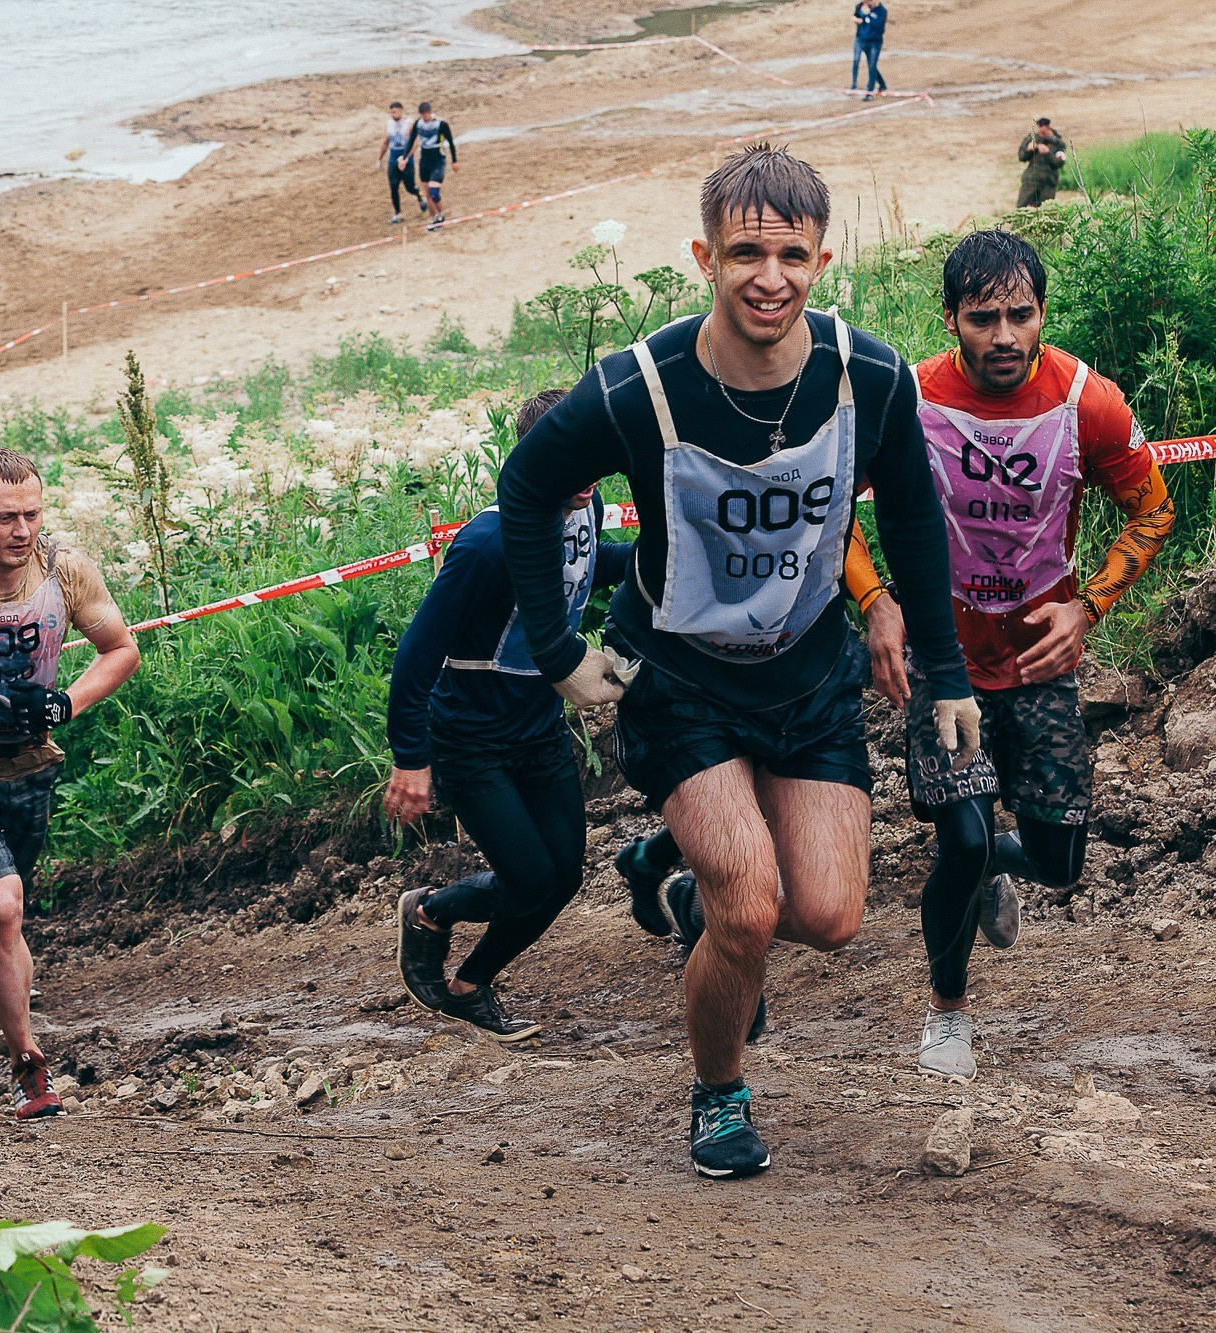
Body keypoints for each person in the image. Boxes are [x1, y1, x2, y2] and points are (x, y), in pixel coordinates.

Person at [495, 144, 979, 1179]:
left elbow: (911, 515)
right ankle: (717, 1093)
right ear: (701, 257)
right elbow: (526, 488)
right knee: (752, 905)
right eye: (745, 252)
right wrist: (556, 653)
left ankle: (686, 898)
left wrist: (944, 669)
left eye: (791, 254)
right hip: (680, 680)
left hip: (807, 677)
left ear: (822, 258)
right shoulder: (639, 387)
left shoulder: (869, 374)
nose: (769, 276)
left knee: (829, 917)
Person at [843, 228, 1174, 1080]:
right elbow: (830, 503)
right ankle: (947, 1012)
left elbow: (1154, 509)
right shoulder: (905, 398)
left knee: (1061, 860)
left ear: (1042, 315)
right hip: (943, 662)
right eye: (982, 317)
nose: (1002, 336)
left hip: (1039, 662)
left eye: (1020, 316)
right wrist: (877, 602)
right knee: (959, 839)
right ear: (950, 316)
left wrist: (1088, 606)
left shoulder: (1085, 403)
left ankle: (997, 862)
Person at [387, 390, 632, 1040]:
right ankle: (431, 912)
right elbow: (416, 655)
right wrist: (410, 758)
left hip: (540, 730)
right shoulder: (487, 545)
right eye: (566, 460)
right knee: (529, 877)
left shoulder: (587, 505)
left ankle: (468, 983)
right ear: (532, 459)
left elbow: (585, 568)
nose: (584, 477)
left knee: (563, 877)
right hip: (472, 741)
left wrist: (653, 555)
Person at [0, 448, 140, 1121]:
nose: (21, 530)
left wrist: (67, 703)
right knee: (4, 907)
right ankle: (28, 1065)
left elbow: (120, 648)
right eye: (4, 517)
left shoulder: (65, 571)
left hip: (29, 766)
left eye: (32, 514)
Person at [407, 101, 458, 230]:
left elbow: (451, 142)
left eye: (427, 114)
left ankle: (441, 215)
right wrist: (404, 157)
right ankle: (434, 219)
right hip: (424, 161)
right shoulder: (418, 124)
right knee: (428, 194)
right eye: (422, 115)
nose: (425, 117)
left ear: (430, 112)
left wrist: (454, 161)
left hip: (438, 161)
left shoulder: (441, 124)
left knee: (434, 192)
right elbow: (411, 141)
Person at [379, 100, 425, 224]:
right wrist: (379, 158)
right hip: (393, 159)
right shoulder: (389, 124)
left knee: (409, 187)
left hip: (407, 158)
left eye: (395, 112)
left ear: (401, 111)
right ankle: (397, 213)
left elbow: (415, 142)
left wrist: (406, 158)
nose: (393, 115)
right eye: (391, 112)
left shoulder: (409, 123)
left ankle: (419, 195)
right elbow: (386, 142)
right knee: (393, 186)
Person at [1017, 118, 1068, 208]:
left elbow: (1060, 163)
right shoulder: (1031, 139)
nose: (1042, 130)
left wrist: (1048, 153)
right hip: (1031, 181)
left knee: (1046, 211)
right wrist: (1028, 150)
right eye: (1040, 127)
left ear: (1049, 128)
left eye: (1044, 128)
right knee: (1022, 209)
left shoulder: (1058, 144)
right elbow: (1021, 157)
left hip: (1048, 183)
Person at [852, 2, 888, 100]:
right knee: (871, 65)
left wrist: (867, 16)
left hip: (875, 42)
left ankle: (869, 91)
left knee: (872, 65)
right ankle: (882, 84)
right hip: (865, 41)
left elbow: (878, 26)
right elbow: (862, 22)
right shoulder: (865, 8)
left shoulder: (882, 11)